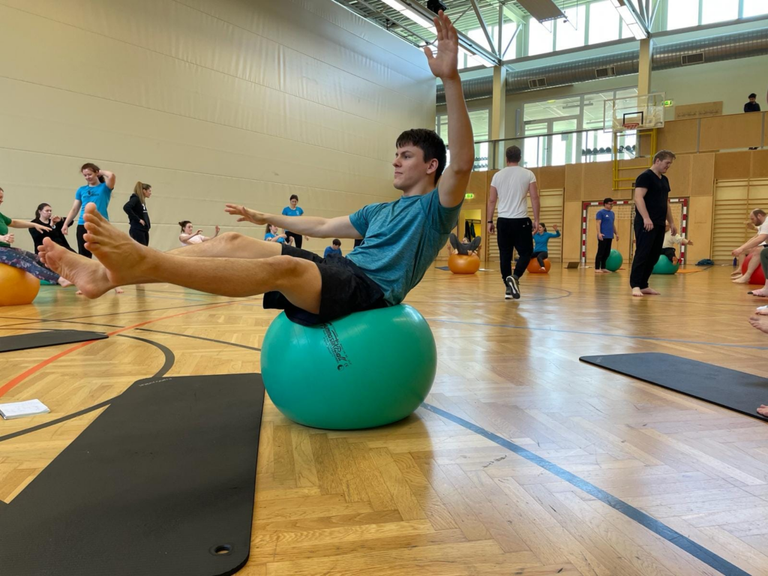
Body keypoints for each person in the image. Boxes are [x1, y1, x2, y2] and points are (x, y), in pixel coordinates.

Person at [37, 11, 474, 327]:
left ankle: (139, 264)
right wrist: (263, 218)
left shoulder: (436, 208)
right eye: (395, 153)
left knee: (292, 270)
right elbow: (321, 225)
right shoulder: (380, 211)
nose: (396, 161)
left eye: (407, 155)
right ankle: (103, 275)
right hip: (342, 274)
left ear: (432, 165)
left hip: (371, 292)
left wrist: (450, 80)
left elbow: (465, 162)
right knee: (230, 240)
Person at [487, 145, 539, 300]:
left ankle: (508, 289)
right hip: (521, 220)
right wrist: (537, 219)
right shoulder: (528, 174)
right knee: (526, 252)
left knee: (505, 255)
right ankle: (515, 277)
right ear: (520, 157)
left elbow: (491, 200)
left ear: (506, 158)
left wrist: (490, 220)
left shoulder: (497, 176)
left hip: (503, 221)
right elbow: (535, 198)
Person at [62, 163, 122, 294]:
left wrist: (101, 172)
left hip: (100, 224)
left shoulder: (104, 188)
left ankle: (115, 283)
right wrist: (66, 223)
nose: (87, 177)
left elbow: (111, 176)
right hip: (83, 224)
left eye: (90, 174)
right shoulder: (81, 190)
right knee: (84, 256)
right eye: (85, 175)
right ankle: (85, 285)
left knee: (107, 253)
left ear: (96, 173)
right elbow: (75, 209)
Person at [0, 187, 71, 286]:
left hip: (4, 248)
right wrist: (2, 238)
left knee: (37, 258)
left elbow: (14, 222)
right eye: (0, 197)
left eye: (2, 197)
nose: (1, 200)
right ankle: (60, 280)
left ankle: (66, 276)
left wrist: (34, 224)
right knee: (25, 261)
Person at [630, 150, 677, 297]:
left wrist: (672, 222)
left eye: (670, 164)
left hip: (659, 223)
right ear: (657, 160)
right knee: (643, 253)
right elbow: (638, 198)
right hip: (646, 223)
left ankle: (644, 285)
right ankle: (636, 285)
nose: (668, 166)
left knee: (654, 255)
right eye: (667, 163)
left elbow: (665, 203)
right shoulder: (645, 177)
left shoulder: (664, 180)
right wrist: (646, 218)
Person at [731, 209, 768, 284]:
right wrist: (741, 248)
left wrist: (741, 248)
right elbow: (755, 238)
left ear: (759, 216)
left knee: (758, 251)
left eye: (752, 219)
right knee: (752, 250)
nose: (751, 221)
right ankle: (743, 272)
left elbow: (760, 239)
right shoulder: (763, 224)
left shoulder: (766, 222)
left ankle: (747, 276)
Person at [594, 199, 619, 273]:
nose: (611, 205)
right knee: (600, 252)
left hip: (609, 235)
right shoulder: (600, 212)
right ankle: (597, 268)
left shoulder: (612, 213)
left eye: (612, 204)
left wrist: (616, 233)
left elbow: (612, 224)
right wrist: (599, 233)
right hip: (603, 235)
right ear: (605, 204)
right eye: (610, 204)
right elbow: (598, 223)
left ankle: (603, 267)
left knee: (607, 252)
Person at [123, 182, 152, 246]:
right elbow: (126, 207)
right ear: (144, 190)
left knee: (145, 251)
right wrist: (138, 219)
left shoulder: (142, 201)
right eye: (149, 191)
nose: (150, 193)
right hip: (137, 229)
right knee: (140, 252)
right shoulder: (135, 199)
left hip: (143, 230)